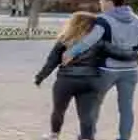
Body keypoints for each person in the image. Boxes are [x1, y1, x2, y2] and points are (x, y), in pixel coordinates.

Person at [33, 9, 109, 140]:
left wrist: (40, 77)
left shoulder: (64, 40)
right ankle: (86, 137)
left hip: (66, 81)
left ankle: (54, 135)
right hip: (90, 81)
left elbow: (52, 62)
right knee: (87, 113)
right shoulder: (98, 42)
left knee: (59, 110)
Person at [96, 0, 138, 140]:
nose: (100, 3)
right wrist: (136, 62)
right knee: (126, 107)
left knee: (92, 104)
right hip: (130, 71)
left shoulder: (102, 20)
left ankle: (88, 134)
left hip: (106, 69)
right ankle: (124, 137)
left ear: (110, 2)